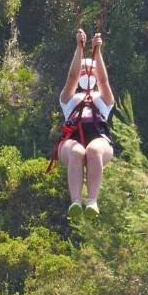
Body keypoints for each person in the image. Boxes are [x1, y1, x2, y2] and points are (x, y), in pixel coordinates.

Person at [57, 28, 115, 222]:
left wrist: (97, 51)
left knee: (93, 150)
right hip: (71, 142)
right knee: (76, 152)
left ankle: (92, 201)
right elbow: (72, 77)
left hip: (99, 140)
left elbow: (103, 80)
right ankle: (75, 201)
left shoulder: (103, 100)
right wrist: (79, 48)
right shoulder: (69, 99)